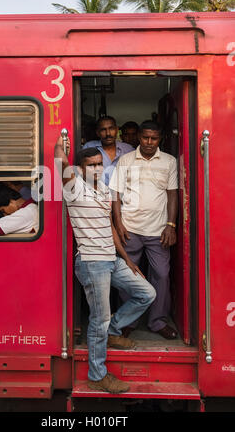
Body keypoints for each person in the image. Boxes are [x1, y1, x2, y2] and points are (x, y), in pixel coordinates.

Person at [54, 136, 156, 394]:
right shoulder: (74, 187)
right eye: (91, 165)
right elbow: (59, 161)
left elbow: (109, 226)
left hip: (111, 258)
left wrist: (126, 259)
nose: (97, 168)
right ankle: (97, 375)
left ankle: (113, 329)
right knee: (97, 319)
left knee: (146, 293)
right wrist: (60, 144)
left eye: (100, 163)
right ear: (80, 168)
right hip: (92, 262)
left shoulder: (103, 189)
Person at [109, 120, 178, 340]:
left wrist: (171, 225)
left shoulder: (169, 161)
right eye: (145, 137)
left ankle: (157, 321)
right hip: (130, 229)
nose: (149, 142)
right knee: (128, 277)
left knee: (162, 275)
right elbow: (116, 195)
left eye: (154, 138)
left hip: (158, 230)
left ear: (161, 139)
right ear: (139, 137)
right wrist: (118, 224)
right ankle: (127, 320)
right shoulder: (125, 160)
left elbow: (172, 194)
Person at [82, 116, 133, 186]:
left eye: (111, 129)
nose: (108, 133)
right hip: (96, 194)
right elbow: (81, 173)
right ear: (97, 133)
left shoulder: (128, 149)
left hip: (122, 194)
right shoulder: (89, 147)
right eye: (103, 130)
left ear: (117, 130)